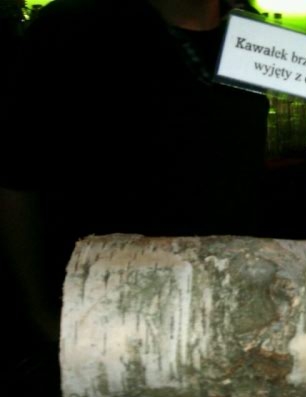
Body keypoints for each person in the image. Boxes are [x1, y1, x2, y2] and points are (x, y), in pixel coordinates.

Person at [1, 0, 270, 346]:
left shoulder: (250, 31)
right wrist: (38, 311)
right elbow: (18, 179)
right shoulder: (72, 27)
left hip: (221, 318)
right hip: (105, 325)